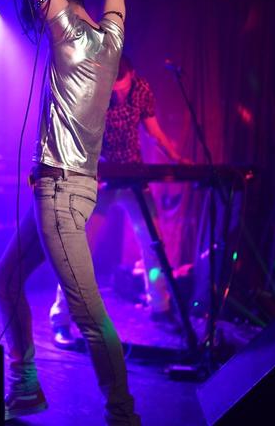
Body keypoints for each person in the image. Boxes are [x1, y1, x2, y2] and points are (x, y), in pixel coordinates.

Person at [0, 0, 141, 424]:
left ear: (59, 0)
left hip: (58, 194)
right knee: (6, 279)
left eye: (44, 5)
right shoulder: (110, 39)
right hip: (67, 191)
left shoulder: (71, 34)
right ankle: (26, 385)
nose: (41, 13)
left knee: (89, 314)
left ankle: (123, 413)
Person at [50, 55, 186, 348]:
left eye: (122, 89)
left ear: (132, 76)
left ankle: (160, 307)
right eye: (113, 90)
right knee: (80, 248)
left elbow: (154, 132)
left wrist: (177, 158)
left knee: (153, 242)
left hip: (133, 174)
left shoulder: (141, 89)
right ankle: (62, 317)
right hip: (101, 177)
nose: (118, 95)